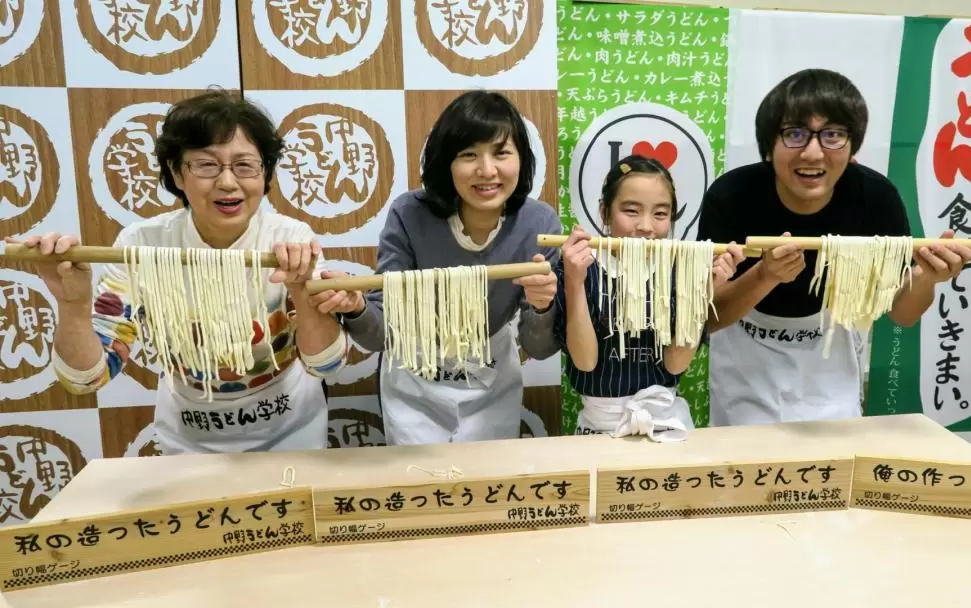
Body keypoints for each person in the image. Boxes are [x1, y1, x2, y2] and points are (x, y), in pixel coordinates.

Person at [7, 90, 355, 455]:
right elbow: (87, 378)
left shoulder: (288, 240)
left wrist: (302, 292)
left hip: (291, 435)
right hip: (190, 442)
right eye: (206, 165)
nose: (227, 182)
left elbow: (327, 364)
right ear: (176, 171)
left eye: (244, 165)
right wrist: (72, 304)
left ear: (265, 172)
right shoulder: (143, 245)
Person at [698, 68, 971, 426]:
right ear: (769, 146)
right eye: (794, 133)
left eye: (833, 135)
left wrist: (926, 279)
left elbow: (902, 314)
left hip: (831, 361)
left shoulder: (875, 198)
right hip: (746, 364)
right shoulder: (732, 196)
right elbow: (709, 317)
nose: (813, 153)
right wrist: (765, 275)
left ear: (852, 147)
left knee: (832, 468)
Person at [337, 90, 560, 445]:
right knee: (421, 486)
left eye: (501, 153)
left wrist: (542, 305)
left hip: (491, 376)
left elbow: (541, 345)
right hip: (414, 378)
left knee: (489, 487)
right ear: (446, 162)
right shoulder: (410, 214)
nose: (487, 170)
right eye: (468, 154)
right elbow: (380, 335)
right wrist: (358, 308)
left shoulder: (538, 223)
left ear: (522, 159)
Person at [556, 155, 741, 441]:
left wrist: (705, 290)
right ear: (605, 212)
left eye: (660, 214)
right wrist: (574, 281)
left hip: (665, 421)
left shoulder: (683, 269)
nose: (646, 227)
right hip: (599, 426)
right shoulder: (579, 265)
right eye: (631, 211)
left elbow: (676, 364)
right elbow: (585, 361)